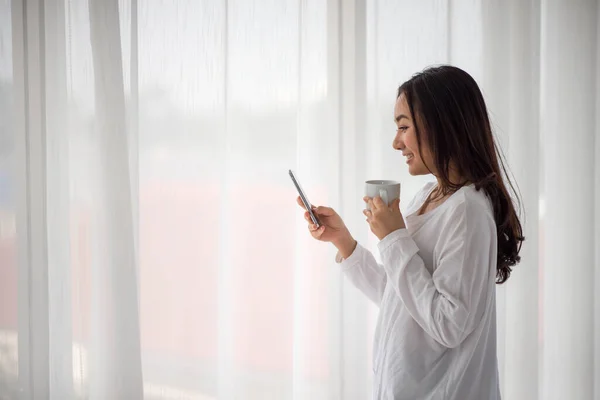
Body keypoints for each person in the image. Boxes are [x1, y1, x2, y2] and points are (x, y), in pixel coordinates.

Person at [296, 65, 524, 400]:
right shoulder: (428, 196)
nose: (396, 142)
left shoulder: (466, 211)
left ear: (441, 125)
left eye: (404, 127)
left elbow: (449, 323)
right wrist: (344, 242)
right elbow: (400, 297)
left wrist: (393, 238)